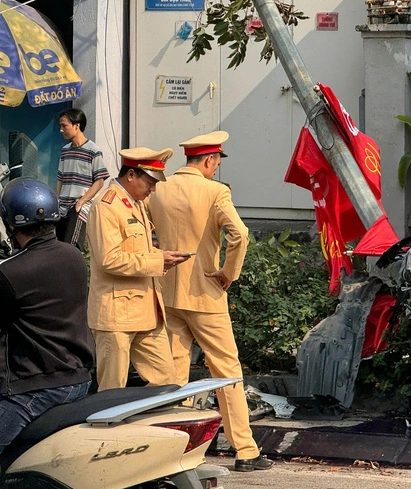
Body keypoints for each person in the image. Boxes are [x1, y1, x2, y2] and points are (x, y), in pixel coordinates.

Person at [147, 131, 273, 472]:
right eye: (216, 161)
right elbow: (240, 234)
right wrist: (227, 273)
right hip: (205, 293)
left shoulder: (159, 188)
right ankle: (245, 450)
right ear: (207, 160)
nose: (216, 168)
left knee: (172, 375)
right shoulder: (215, 191)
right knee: (226, 372)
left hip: (166, 291)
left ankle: (173, 449)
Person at [0, 178, 95, 454]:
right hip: (78, 379)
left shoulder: (11, 273)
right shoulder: (73, 257)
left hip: (36, 388)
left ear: (12, 224)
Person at [86, 147, 189, 391]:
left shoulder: (135, 203)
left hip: (146, 311)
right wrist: (157, 262)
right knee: (112, 391)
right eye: (150, 182)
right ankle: (108, 430)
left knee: (166, 383)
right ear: (131, 175)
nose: (153, 188)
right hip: (117, 315)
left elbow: (136, 251)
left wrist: (161, 256)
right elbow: (109, 259)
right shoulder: (106, 205)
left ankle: (149, 429)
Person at [55, 108, 110, 250]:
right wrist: (56, 199)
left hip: (79, 207)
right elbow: (60, 179)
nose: (61, 130)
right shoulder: (65, 150)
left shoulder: (93, 150)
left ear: (77, 125)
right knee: (59, 246)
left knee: (72, 247)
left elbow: (100, 180)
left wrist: (81, 202)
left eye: (64, 125)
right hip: (62, 207)